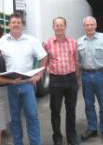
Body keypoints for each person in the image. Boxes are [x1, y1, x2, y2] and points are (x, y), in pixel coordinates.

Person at [0, 12, 47, 145]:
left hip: (27, 85)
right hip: (10, 85)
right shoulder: (1, 41)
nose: (15, 25)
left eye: (18, 22)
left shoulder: (31, 40)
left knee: (32, 116)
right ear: (9, 24)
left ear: (22, 25)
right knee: (14, 119)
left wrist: (39, 75)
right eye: (13, 22)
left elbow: (43, 57)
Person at [77, 16, 103, 144]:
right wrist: (78, 78)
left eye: (91, 24)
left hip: (100, 75)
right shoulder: (79, 42)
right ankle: (92, 128)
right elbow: (77, 62)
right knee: (89, 105)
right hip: (86, 76)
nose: (89, 27)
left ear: (95, 25)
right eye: (86, 25)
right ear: (84, 27)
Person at [43, 17, 80, 145]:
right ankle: (57, 138)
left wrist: (77, 78)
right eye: (56, 25)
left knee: (71, 110)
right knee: (55, 111)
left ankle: (72, 137)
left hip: (71, 79)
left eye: (61, 25)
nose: (59, 27)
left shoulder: (73, 42)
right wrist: (49, 69)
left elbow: (76, 61)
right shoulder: (47, 44)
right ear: (53, 27)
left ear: (65, 26)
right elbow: (44, 61)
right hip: (56, 80)